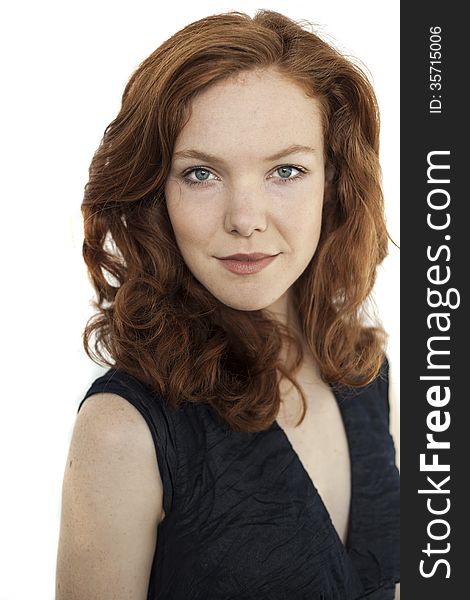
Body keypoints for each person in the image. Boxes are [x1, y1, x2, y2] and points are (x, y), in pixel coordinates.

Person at [56, 9, 400, 600]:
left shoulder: (368, 377)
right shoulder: (124, 432)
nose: (245, 220)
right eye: (200, 175)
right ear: (154, 193)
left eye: (286, 170)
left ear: (334, 181)